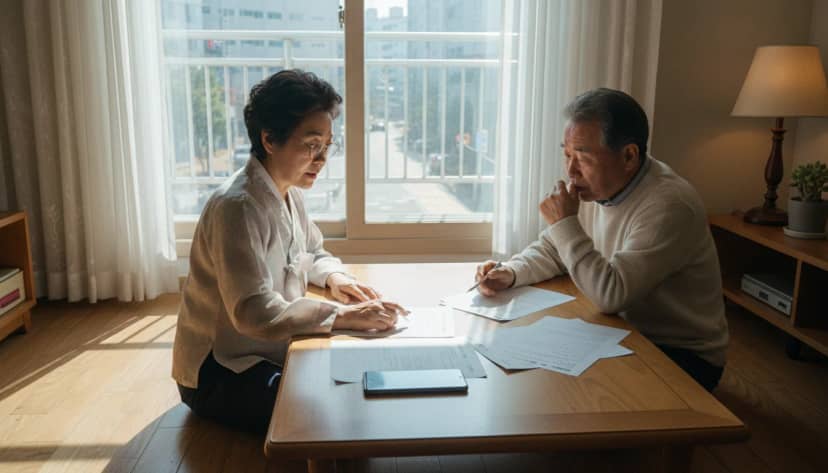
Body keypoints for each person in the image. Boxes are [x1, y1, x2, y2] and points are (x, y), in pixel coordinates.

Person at [172, 70, 407, 433]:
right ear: (269, 139)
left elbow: (312, 250)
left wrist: (336, 278)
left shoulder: (289, 191)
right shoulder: (237, 207)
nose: (322, 158)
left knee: (358, 386)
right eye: (312, 144)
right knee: (330, 412)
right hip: (221, 369)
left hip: (270, 350)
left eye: (327, 146)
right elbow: (253, 312)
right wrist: (344, 316)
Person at [475, 88, 728, 392]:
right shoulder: (603, 186)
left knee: (560, 392)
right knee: (532, 381)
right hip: (621, 330)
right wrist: (512, 271)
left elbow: (611, 295)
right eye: (567, 155)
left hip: (680, 353)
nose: (571, 171)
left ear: (629, 156)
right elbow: (556, 249)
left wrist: (564, 222)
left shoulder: (669, 205)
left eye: (582, 158)